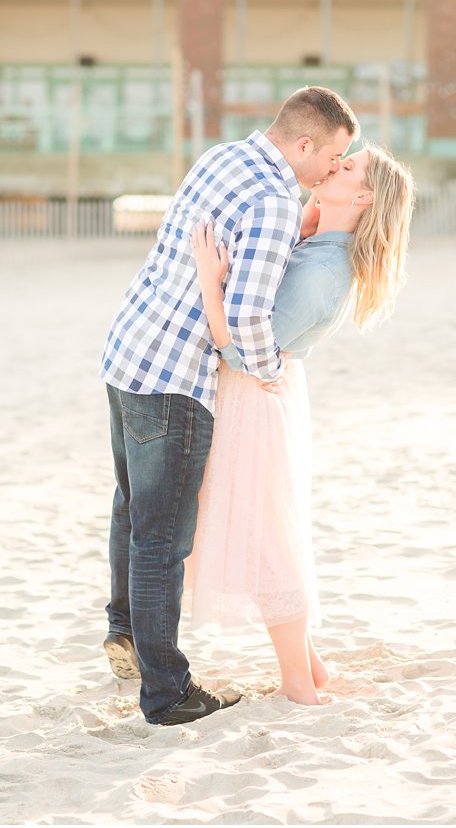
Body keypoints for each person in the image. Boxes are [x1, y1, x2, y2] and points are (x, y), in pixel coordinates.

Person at [100, 86, 356, 725]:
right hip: (179, 377)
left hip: (129, 349)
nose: (332, 168)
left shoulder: (219, 158)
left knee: (132, 509)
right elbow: (245, 326)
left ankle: (124, 629)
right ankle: (166, 694)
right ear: (304, 145)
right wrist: (271, 371)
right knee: (164, 539)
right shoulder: (274, 202)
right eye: (333, 156)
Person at [184, 144, 415, 706]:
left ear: (362, 197)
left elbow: (244, 355)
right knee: (263, 530)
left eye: (350, 165)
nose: (336, 165)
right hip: (260, 397)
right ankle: (309, 666)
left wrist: (209, 282)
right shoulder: (319, 247)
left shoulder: (324, 270)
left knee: (266, 538)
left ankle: (298, 685)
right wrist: (306, 225)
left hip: (253, 402)